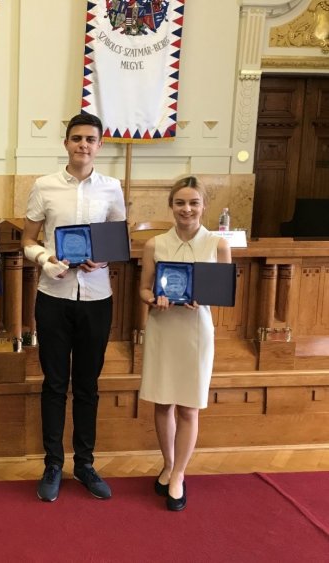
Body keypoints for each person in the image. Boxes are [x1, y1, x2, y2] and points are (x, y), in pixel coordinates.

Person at [22, 112, 126, 502]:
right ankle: (53, 464)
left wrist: (103, 258)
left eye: (90, 139)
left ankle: (84, 464)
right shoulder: (44, 186)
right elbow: (27, 240)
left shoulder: (111, 188)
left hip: (96, 298)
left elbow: (118, 243)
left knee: (87, 385)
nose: (83, 145)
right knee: (53, 383)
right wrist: (45, 259)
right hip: (54, 295)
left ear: (100, 145)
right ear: (66, 142)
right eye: (77, 138)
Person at [138, 176, 231, 511]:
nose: (187, 209)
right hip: (163, 327)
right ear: (171, 206)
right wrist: (154, 299)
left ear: (204, 206)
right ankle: (167, 463)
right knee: (162, 403)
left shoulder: (218, 245)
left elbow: (221, 291)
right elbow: (143, 289)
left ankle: (178, 474)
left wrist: (202, 296)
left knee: (189, 407)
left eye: (193, 203)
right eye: (180, 203)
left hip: (195, 331)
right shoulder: (155, 244)